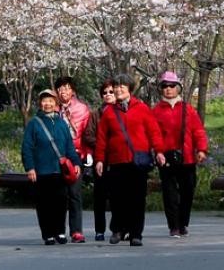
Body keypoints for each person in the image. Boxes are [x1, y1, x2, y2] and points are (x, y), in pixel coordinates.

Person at [94, 73, 165, 247]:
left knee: (137, 199)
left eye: (121, 87)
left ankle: (136, 234)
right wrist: (100, 160)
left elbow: (153, 131)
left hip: (137, 161)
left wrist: (159, 151)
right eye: (116, 87)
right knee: (117, 198)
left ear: (130, 90)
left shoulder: (141, 108)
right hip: (117, 161)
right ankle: (118, 230)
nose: (118, 90)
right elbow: (102, 138)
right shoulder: (109, 112)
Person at [152, 71, 208, 238]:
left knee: (188, 190)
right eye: (164, 86)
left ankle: (183, 222)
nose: (168, 89)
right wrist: (159, 152)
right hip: (166, 157)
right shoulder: (156, 111)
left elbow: (198, 130)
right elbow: (154, 134)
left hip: (187, 156)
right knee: (169, 193)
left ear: (178, 88)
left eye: (171, 86)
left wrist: (202, 149)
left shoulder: (188, 109)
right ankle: (174, 225)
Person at [22, 88, 82, 245]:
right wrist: (30, 167)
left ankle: (60, 232)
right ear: (40, 103)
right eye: (44, 100)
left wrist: (76, 163)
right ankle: (47, 234)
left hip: (59, 170)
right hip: (42, 171)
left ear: (56, 104)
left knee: (61, 203)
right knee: (44, 204)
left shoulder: (62, 123)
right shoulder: (34, 124)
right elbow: (27, 147)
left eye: (50, 101)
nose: (47, 103)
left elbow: (69, 146)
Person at [55, 75, 91, 243]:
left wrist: (88, 153)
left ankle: (76, 231)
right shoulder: (52, 108)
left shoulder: (82, 109)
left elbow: (87, 133)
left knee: (75, 194)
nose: (64, 91)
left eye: (67, 88)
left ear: (73, 91)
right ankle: (59, 231)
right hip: (56, 156)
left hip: (76, 154)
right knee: (59, 195)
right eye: (61, 88)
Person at [82, 79, 117, 241]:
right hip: (100, 159)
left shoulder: (122, 112)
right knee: (100, 197)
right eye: (105, 92)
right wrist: (102, 145)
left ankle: (118, 228)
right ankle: (99, 230)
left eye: (111, 91)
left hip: (118, 159)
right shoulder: (95, 115)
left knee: (118, 196)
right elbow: (88, 135)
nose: (108, 95)